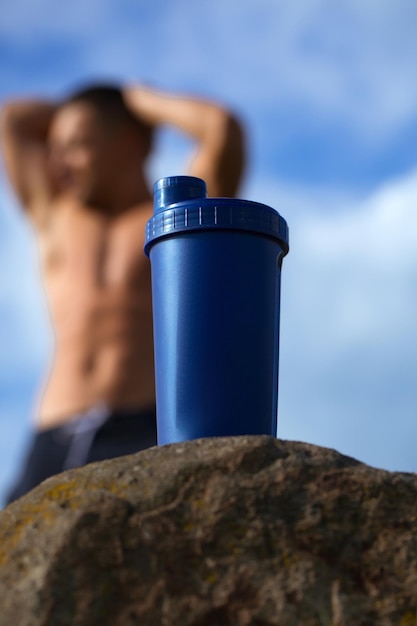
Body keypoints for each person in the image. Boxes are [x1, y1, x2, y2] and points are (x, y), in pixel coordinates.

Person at [0, 83, 245, 503]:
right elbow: (11, 119)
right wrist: (81, 111)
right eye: (55, 148)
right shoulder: (52, 214)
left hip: (141, 429)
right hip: (51, 435)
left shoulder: (176, 220)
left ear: (132, 142)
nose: (59, 163)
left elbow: (220, 127)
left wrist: (135, 102)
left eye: (77, 145)